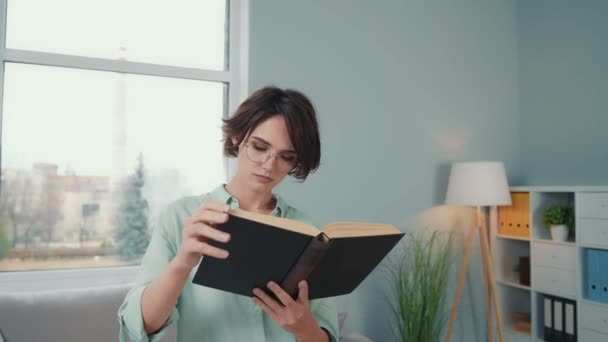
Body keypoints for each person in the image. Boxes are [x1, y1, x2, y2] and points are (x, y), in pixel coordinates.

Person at [118, 86, 339, 342]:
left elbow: (326, 334)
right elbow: (138, 327)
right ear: (237, 137)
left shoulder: (307, 231)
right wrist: (183, 263)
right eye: (259, 147)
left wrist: (305, 329)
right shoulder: (182, 217)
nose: (269, 165)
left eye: (286, 156)